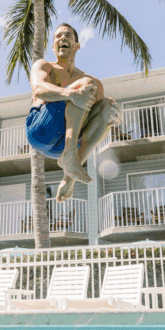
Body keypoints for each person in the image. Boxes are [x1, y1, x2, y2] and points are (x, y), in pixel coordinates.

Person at [26, 23, 121, 201]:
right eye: (58, 37)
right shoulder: (45, 66)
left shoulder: (93, 82)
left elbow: (96, 119)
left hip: (61, 146)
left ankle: (68, 178)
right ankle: (69, 154)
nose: (63, 38)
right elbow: (38, 88)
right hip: (41, 128)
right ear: (54, 47)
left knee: (107, 106)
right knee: (84, 86)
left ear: (77, 45)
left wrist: (113, 117)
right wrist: (70, 93)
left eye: (68, 36)